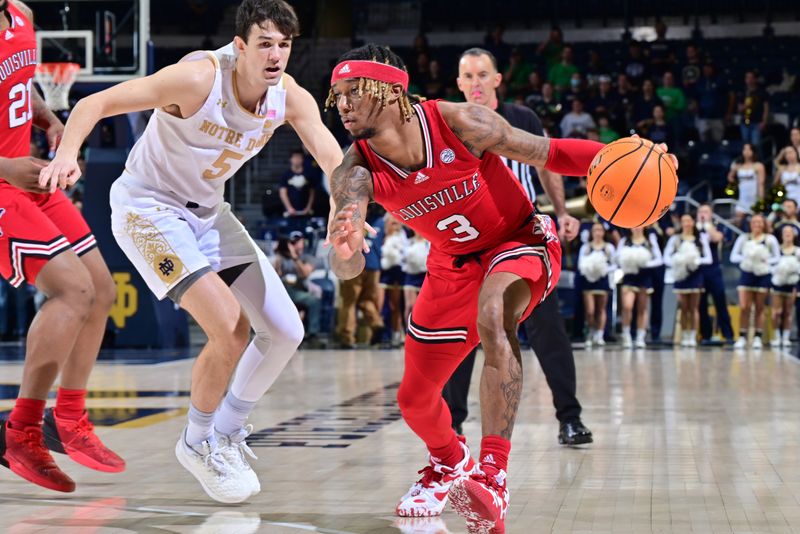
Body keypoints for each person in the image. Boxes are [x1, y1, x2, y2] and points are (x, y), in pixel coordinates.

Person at [325, 42, 677, 531]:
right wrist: (345, 252)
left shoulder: (461, 122)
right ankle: (450, 461)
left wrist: (631, 156)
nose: (341, 105)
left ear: (390, 91)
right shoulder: (353, 170)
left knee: (494, 312)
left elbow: (550, 153)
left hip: (518, 241)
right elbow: (344, 258)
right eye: (336, 95)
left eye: (353, 92)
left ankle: (492, 474)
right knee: (414, 399)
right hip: (450, 268)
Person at [39, 0, 346, 503]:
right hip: (148, 209)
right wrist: (68, 154)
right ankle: (196, 441)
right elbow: (95, 104)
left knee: (287, 329)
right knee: (229, 327)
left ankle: (225, 429)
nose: (276, 55)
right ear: (240, 46)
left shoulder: (288, 96)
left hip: (208, 213)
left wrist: (344, 207)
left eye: (284, 45)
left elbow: (330, 156)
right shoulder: (197, 79)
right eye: (265, 43)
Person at [0, 0, 123, 493]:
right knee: (72, 291)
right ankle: (20, 430)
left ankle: (66, 417)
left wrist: (47, 116)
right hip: (3, 181)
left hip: (26, 176)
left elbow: (17, 86)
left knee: (101, 288)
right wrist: (5, 168)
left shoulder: (20, 12)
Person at [444, 47, 592, 448]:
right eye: (468, 76)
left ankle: (570, 418)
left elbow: (547, 164)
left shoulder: (522, 118)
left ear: (497, 80)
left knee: (548, 332)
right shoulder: (450, 124)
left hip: (523, 237)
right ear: (459, 83)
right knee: (462, 335)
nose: (475, 82)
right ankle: (452, 430)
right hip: (472, 243)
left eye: (482, 74)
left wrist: (561, 211)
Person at [730, 214, 780, 350]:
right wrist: (747, 259)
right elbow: (733, 256)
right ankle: (742, 336)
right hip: (747, 274)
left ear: (764, 224)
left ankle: (757, 336)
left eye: (760, 222)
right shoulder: (743, 238)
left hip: (763, 275)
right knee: (744, 307)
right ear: (750, 224)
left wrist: (764, 261)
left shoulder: (770, 239)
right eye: (754, 222)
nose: (757, 224)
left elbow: (777, 257)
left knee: (760, 307)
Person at [663, 213, 712, 347]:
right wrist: (678, 262)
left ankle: (693, 336)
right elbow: (666, 257)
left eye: (689, 221)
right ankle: (685, 334)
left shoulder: (700, 238)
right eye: (684, 221)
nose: (687, 224)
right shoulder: (675, 239)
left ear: (693, 222)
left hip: (695, 275)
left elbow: (709, 258)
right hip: (681, 275)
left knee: (694, 308)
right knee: (683, 307)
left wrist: (695, 261)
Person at [616, 227, 663, 349]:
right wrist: (628, 262)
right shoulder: (625, 240)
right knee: (627, 306)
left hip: (644, 277)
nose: (637, 228)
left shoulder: (649, 240)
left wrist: (644, 263)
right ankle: (626, 335)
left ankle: (640, 336)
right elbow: (617, 258)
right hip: (629, 277)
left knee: (642, 308)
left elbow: (659, 259)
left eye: (639, 226)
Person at [274, 232, 322, 345]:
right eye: (292, 242)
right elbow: (275, 275)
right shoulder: (281, 257)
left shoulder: (307, 257)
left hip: (299, 290)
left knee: (314, 301)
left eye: (297, 241)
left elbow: (305, 273)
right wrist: (278, 255)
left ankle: (313, 334)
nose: (294, 244)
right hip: (284, 290)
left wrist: (295, 257)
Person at [696, 204, 735, 344]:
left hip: (714, 270)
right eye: (701, 211)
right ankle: (705, 335)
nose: (703, 214)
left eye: (706, 212)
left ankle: (728, 334)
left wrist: (707, 225)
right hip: (698, 270)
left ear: (711, 214)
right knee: (701, 304)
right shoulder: (694, 229)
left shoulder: (715, 226)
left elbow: (717, 238)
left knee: (720, 301)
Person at [578, 223, 616, 348]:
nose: (598, 232)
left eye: (600, 230)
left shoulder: (609, 247)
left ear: (604, 232)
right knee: (590, 311)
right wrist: (590, 269)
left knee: (601, 309)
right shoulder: (586, 247)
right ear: (591, 232)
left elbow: (615, 264)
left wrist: (603, 269)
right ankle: (591, 331)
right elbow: (580, 264)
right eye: (595, 230)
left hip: (603, 280)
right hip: (588, 281)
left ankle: (599, 335)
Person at [380, 213, 407, 347]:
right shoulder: (383, 235)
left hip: (401, 273)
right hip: (386, 274)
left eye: (396, 220)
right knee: (386, 305)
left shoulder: (405, 235)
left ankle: (400, 333)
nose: (394, 222)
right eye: (391, 221)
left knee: (400, 306)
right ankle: (387, 334)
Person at [770, 225, 800, 349]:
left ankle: (786, 337)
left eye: (790, 232)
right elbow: (770, 264)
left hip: (792, 284)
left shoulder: (798, 251)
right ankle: (777, 336)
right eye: (785, 232)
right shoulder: (777, 250)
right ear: (781, 235)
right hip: (777, 283)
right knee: (776, 312)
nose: (787, 235)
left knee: (788, 312)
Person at [728, 143, 765, 227]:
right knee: (738, 223)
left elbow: (761, 184)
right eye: (745, 149)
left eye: (749, 149)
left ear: (753, 151)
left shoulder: (758, 166)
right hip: (742, 198)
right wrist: (735, 184)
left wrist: (761, 202)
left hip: (754, 199)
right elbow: (730, 177)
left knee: (756, 223)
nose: (746, 152)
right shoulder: (738, 166)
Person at [278, 148, 316, 217]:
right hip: (290, 212)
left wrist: (308, 207)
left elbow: (312, 193)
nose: (297, 160)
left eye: (299, 157)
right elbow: (283, 193)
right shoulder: (286, 175)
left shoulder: (308, 175)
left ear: (302, 159)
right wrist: (289, 208)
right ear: (290, 159)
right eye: (295, 157)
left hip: (306, 212)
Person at [403, 232, 429, 329]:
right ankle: (408, 330)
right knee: (410, 305)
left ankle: (422, 329)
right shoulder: (409, 242)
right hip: (411, 276)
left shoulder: (428, 242)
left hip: (425, 276)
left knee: (424, 307)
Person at [737, 71, 769, 147]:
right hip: (745, 123)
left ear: (755, 79)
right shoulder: (742, 92)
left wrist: (764, 121)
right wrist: (746, 106)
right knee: (746, 146)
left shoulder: (762, 92)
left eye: (751, 78)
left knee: (756, 145)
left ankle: (758, 159)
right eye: (747, 77)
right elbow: (739, 109)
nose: (749, 80)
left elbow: (766, 108)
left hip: (757, 123)